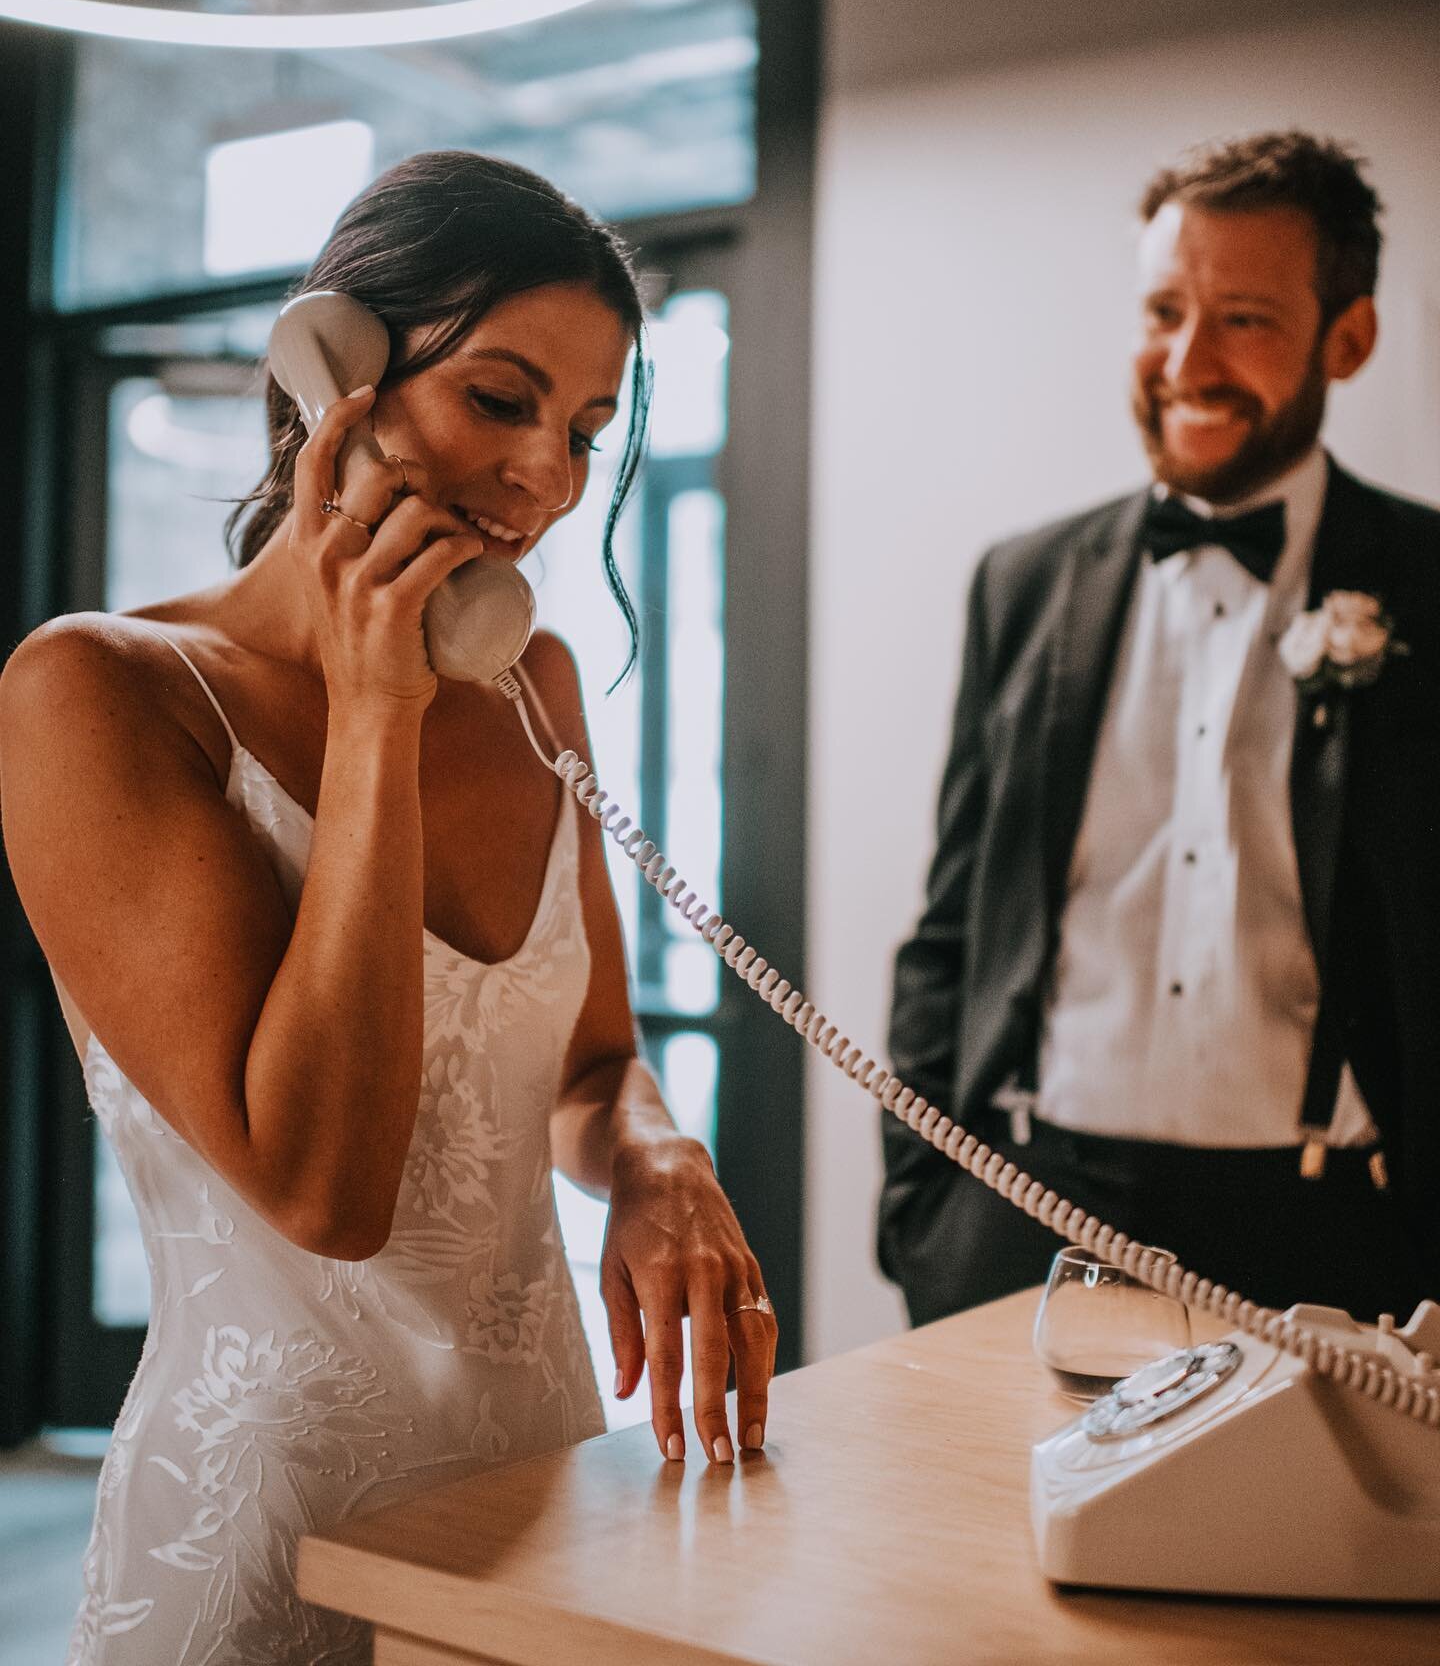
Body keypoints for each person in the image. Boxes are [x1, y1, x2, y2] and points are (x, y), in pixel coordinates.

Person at [0, 152, 778, 1666]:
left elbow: (593, 1064)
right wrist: (377, 711)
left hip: (542, 1503)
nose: (548, 479)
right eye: (502, 400)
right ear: (333, 372)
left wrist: (658, 1156)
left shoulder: (537, 688)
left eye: (585, 432)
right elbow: (323, 1193)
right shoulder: (95, 693)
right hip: (267, 1540)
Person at [880, 130, 1440, 1330]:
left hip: (1334, 1235)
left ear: (1349, 338)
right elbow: (950, 926)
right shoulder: (1021, 582)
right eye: (1164, 310)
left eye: (1244, 318)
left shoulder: (1430, 586)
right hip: (1031, 1217)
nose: (1189, 359)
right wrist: (925, 1214)